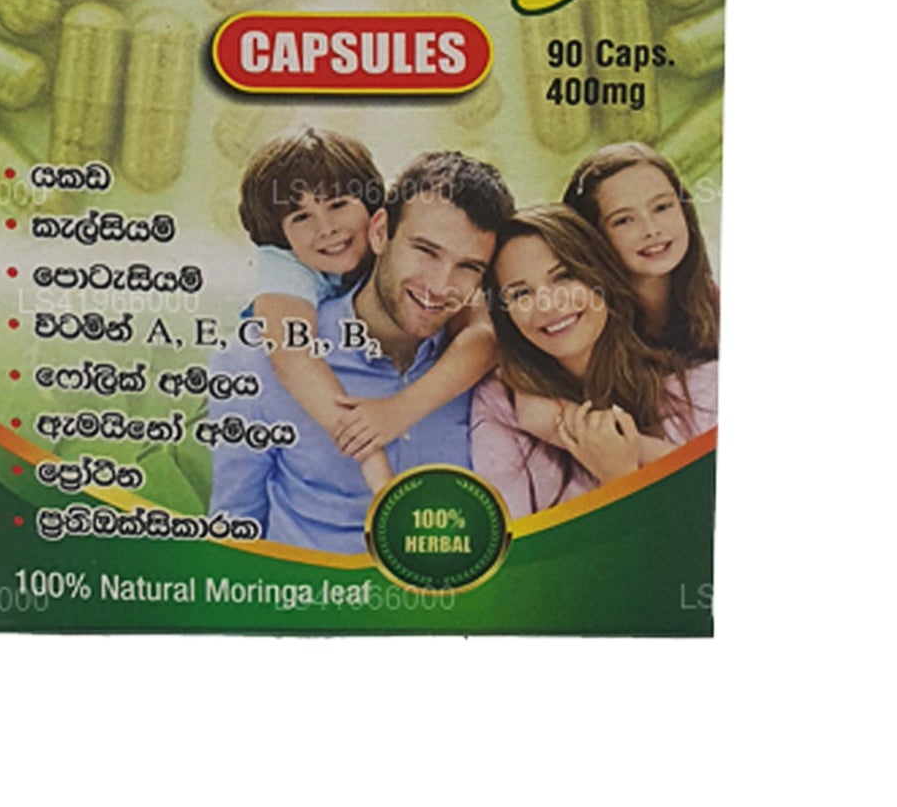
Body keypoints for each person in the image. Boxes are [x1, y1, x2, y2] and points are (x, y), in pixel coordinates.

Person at [210, 151, 512, 552]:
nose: (440, 285)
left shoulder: (493, 366)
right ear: (380, 231)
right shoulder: (259, 361)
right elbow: (233, 535)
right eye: (426, 251)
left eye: (468, 267)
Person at [471, 205, 718, 518]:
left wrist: (616, 465)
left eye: (563, 277)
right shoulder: (500, 405)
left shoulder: (705, 389)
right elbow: (511, 542)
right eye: (521, 294)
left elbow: (702, 534)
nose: (548, 305)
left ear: (601, 276)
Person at [562, 141, 720, 358]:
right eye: (624, 220)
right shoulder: (578, 329)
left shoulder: (715, 305)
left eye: (662, 207)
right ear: (592, 235)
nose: (651, 230)